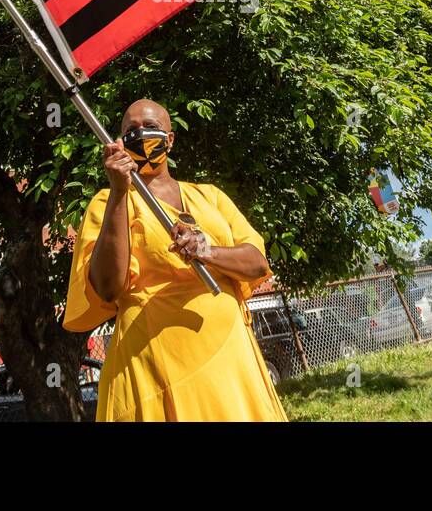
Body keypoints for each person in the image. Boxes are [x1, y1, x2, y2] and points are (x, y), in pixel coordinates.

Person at [62, 98, 286, 421]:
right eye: (131, 131)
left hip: (230, 366)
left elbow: (257, 263)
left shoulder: (209, 196)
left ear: (170, 139)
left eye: (150, 128)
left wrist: (206, 252)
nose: (140, 135)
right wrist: (118, 193)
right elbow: (108, 287)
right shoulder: (107, 202)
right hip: (153, 369)